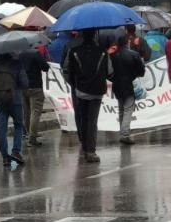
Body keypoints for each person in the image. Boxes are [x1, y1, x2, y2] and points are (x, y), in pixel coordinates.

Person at [63, 30, 110, 162]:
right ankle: (91, 151)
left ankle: (85, 147)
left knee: (83, 119)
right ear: (95, 35)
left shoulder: (73, 51)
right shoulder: (102, 51)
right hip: (97, 91)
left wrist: (75, 84)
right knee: (92, 121)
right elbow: (109, 71)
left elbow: (67, 71)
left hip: (80, 91)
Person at [0, 52, 28, 167]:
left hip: (0, 101)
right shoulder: (17, 64)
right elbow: (25, 83)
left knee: (2, 129)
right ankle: (16, 151)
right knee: (18, 126)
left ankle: (5, 157)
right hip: (16, 100)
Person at [110, 35, 146, 144]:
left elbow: (108, 72)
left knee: (121, 110)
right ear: (127, 43)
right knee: (128, 110)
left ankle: (123, 133)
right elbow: (141, 71)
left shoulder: (112, 56)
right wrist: (133, 75)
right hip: (129, 85)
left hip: (117, 86)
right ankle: (125, 134)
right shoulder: (133, 55)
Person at [21, 44, 49, 147]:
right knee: (35, 112)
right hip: (35, 86)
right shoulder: (35, 53)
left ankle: (29, 133)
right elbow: (45, 67)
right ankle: (32, 138)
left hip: (23, 86)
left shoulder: (20, 54)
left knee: (27, 111)